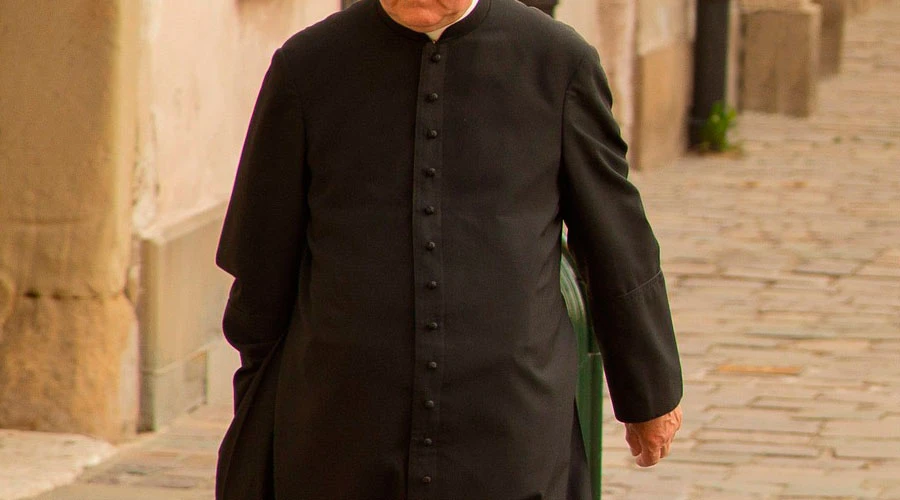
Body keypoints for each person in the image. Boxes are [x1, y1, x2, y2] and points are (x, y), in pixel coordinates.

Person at [215, 0, 683, 498]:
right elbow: (262, 262)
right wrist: (255, 409)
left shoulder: (558, 62)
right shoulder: (307, 66)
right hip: (345, 423)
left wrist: (649, 392)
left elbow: (614, 234)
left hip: (510, 419)